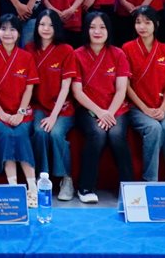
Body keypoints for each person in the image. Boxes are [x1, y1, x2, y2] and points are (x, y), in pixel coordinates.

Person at [71, 11, 134, 203]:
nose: (97, 31)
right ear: (86, 30)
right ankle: (86, 187)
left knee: (116, 134)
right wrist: (100, 113)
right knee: (97, 133)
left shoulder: (118, 54)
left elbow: (121, 89)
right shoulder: (77, 55)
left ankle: (129, 189)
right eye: (92, 27)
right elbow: (77, 92)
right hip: (88, 108)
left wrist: (109, 113)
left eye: (102, 27)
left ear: (109, 30)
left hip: (115, 109)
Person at [0, 14, 40, 207]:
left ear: (19, 33)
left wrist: (20, 113)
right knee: (5, 134)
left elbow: (29, 88)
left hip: (22, 113)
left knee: (21, 133)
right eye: (3, 29)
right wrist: (2, 114)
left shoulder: (26, 57)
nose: (8, 33)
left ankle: (32, 188)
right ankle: (14, 189)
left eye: (13, 29)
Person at [122, 7, 165, 183]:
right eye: (138, 22)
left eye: (147, 22)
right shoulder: (127, 48)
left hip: (161, 106)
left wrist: (162, 108)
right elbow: (126, 86)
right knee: (154, 128)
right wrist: (145, 109)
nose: (142, 27)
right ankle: (150, 179)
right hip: (137, 108)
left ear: (156, 24)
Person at [26, 8, 76, 202]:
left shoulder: (66, 50)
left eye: (50, 25)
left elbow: (66, 87)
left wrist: (54, 116)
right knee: (39, 131)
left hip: (62, 108)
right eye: (42, 24)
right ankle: (43, 178)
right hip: (38, 106)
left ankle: (66, 179)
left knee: (55, 133)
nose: (46, 28)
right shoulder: (29, 49)